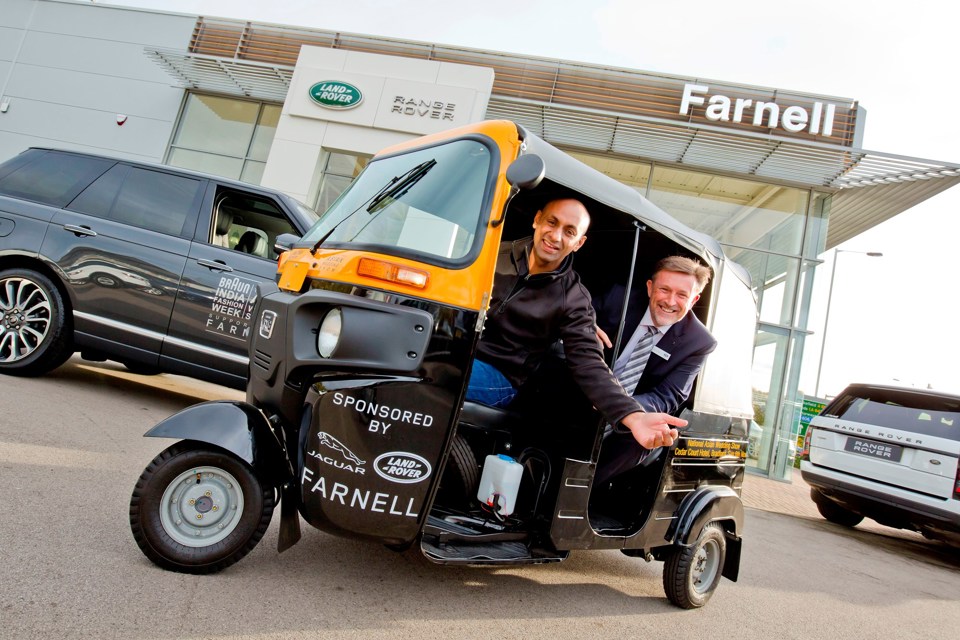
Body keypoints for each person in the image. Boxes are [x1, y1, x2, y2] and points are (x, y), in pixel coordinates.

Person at [465, 198, 685, 451]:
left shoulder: (574, 299)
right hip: (460, 352)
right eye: (552, 222)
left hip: (501, 377)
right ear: (537, 220)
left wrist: (633, 416)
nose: (556, 236)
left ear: (579, 243)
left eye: (569, 232)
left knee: (436, 370)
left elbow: (589, 362)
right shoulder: (492, 254)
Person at [594, 255, 717, 484]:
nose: (670, 301)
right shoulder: (618, 298)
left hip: (632, 408)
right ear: (650, 288)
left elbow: (669, 395)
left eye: (682, 295)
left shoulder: (699, 342)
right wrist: (585, 326)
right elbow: (574, 316)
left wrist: (622, 409)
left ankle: (584, 486)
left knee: (649, 432)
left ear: (694, 300)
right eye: (664, 289)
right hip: (585, 388)